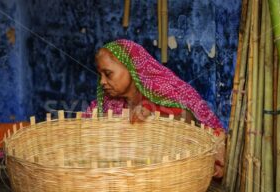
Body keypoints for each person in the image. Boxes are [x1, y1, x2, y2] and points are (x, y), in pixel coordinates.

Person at [85, 39, 225, 178]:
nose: (102, 82)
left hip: (172, 176)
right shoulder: (105, 104)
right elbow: (85, 135)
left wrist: (153, 114)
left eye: (108, 74)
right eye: (100, 76)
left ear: (131, 67)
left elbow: (192, 122)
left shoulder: (166, 91)